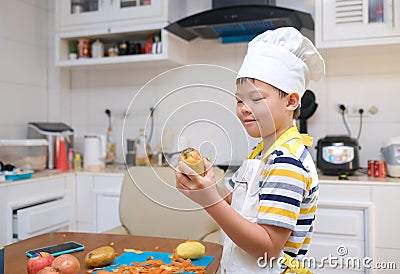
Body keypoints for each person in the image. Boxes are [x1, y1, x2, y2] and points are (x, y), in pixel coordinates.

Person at [175, 27, 325, 273]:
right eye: (239, 100)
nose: (244, 108)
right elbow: (238, 205)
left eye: (256, 99)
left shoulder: (286, 161)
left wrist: (209, 200)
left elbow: (268, 248)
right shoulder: (260, 153)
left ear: (291, 101)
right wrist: (208, 187)